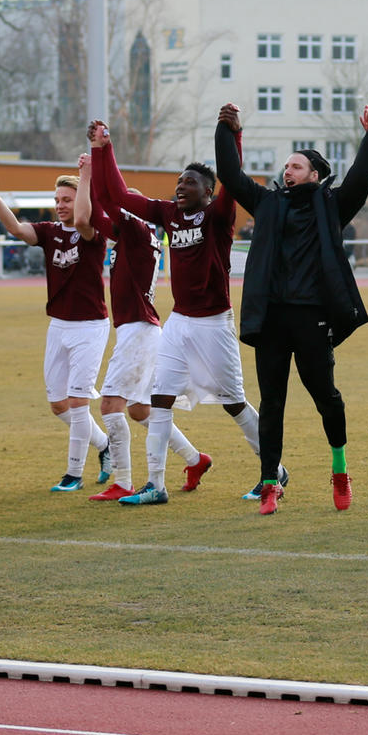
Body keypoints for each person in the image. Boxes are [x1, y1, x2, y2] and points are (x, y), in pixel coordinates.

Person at [217, 102, 368, 514]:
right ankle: (270, 483)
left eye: (296, 166)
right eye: (286, 166)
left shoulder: (332, 205)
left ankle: (340, 471)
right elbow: (229, 174)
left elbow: (361, 178)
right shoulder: (267, 203)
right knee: (272, 403)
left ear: (314, 174)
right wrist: (228, 129)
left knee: (326, 397)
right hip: (272, 320)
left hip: (314, 319)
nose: (287, 171)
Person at [96, 121, 267, 506]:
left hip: (214, 324)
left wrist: (232, 134)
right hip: (178, 322)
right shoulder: (168, 214)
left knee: (234, 403)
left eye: (189, 181)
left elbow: (233, 179)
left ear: (208, 191)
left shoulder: (219, 215)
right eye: (179, 180)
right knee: (160, 399)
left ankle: (273, 470)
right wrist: (103, 149)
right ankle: (155, 484)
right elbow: (119, 194)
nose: (180, 186)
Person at [86, 140, 208, 502]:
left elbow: (100, 208)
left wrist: (92, 168)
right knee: (140, 409)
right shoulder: (138, 236)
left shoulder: (137, 232)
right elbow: (98, 214)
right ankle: (195, 458)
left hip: (139, 329)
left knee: (110, 405)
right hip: (141, 327)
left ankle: (122, 480)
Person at [0, 160, 115, 492]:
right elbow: (16, 229)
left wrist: (86, 176)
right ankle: (104, 445)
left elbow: (85, 218)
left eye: (67, 200)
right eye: (57, 200)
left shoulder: (92, 232)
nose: (60, 205)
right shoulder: (48, 231)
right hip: (58, 326)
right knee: (58, 404)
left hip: (90, 326)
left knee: (76, 401)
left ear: (80, 201)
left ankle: (73, 474)